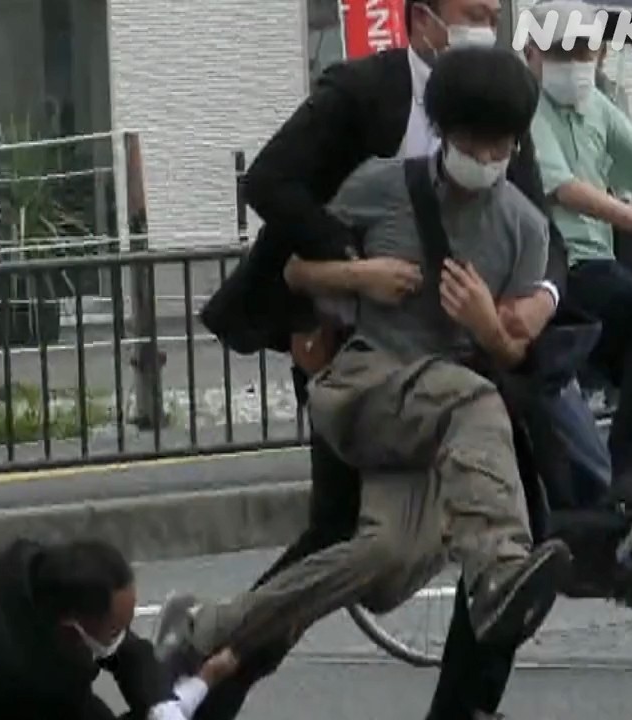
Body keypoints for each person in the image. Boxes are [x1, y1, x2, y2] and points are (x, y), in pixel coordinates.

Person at [158, 48, 573, 717]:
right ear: (444, 132)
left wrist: (486, 326)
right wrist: (359, 275)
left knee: (383, 558)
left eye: (499, 146)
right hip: (367, 385)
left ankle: (207, 629)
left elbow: (513, 349)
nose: (485, 158)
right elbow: (295, 271)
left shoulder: (525, 227)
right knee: (478, 400)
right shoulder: (383, 184)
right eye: (472, 143)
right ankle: (499, 568)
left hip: (439, 413)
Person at [524, 1, 632, 482]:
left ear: (601, 53)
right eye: (560, 52)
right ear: (531, 53)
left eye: (583, 51)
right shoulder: (523, 107)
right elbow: (564, 187)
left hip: (601, 269)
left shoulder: (596, 106)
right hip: (556, 271)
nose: (574, 63)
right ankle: (630, 460)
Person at [0, 538, 238, 720]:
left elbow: (127, 649)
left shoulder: (41, 569)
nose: (124, 637)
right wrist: (199, 687)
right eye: (115, 631)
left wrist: (160, 703)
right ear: (72, 632)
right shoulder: (22, 675)